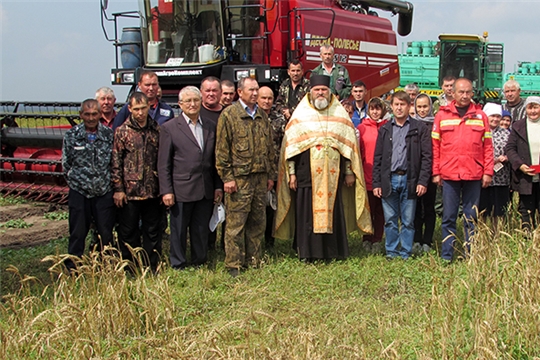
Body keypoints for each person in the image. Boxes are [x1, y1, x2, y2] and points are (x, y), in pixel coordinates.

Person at [274, 74, 372, 261]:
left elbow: (348, 148)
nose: (320, 93)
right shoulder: (300, 115)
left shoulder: (339, 114)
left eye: (324, 90)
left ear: (329, 92)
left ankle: (332, 252)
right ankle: (307, 252)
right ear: (310, 92)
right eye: (317, 90)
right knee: (306, 214)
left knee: (334, 212)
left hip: (332, 176)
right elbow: (291, 149)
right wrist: (292, 174)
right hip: (305, 175)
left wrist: (349, 172)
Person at [215, 77, 276, 277]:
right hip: (239, 180)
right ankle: (234, 264)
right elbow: (222, 151)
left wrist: (270, 175)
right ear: (239, 92)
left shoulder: (262, 116)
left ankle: (255, 259)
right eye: (251, 90)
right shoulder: (230, 115)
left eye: (257, 90)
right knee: (235, 224)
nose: (255, 93)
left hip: (259, 178)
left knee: (258, 222)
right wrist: (227, 178)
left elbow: (269, 148)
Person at [158, 86, 223, 269]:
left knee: (200, 228)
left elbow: (214, 160)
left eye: (195, 100)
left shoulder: (210, 126)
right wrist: (166, 191)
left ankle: (199, 260)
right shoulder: (169, 128)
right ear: (180, 104)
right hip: (180, 189)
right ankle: (178, 263)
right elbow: (164, 164)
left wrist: (217, 186)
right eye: (188, 101)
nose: (192, 104)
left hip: (204, 188)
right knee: (178, 230)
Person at [432, 78, 494, 261]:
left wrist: (488, 172)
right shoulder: (442, 115)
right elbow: (435, 146)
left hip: (473, 173)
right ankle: (447, 256)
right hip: (449, 174)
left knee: (471, 217)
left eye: (468, 92)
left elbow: (488, 147)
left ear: (472, 93)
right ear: (453, 93)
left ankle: (471, 255)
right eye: (461, 92)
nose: (465, 95)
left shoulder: (480, 116)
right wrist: (436, 172)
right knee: (449, 217)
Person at [372, 91, 432, 260]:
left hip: (410, 179)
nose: (399, 108)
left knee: (408, 220)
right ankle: (391, 251)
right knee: (390, 219)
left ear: (408, 106)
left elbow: (427, 157)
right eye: (396, 104)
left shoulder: (419, 128)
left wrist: (422, 181)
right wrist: (377, 182)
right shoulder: (385, 129)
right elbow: (378, 157)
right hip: (389, 179)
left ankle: (405, 252)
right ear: (391, 107)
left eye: (402, 104)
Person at [111, 92, 163, 271]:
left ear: (149, 107)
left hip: (152, 190)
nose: (140, 113)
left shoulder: (156, 129)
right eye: (137, 109)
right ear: (130, 108)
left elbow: (162, 160)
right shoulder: (122, 132)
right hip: (130, 192)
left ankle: (152, 265)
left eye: (144, 108)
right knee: (128, 232)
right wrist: (118, 189)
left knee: (152, 230)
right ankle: (130, 266)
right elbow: (116, 162)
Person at [62, 99, 116, 271]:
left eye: (94, 114)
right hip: (80, 192)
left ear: (100, 115)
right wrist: (78, 182)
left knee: (105, 233)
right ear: (81, 115)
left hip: (103, 192)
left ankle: (106, 267)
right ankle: (73, 269)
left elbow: (114, 163)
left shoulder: (108, 135)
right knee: (77, 233)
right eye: (87, 114)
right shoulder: (72, 135)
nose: (91, 117)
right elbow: (66, 164)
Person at [257, 86, 287, 249]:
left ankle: (269, 242)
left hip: (275, 172)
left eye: (270, 98)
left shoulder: (279, 119)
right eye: (263, 98)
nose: (267, 101)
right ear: (257, 99)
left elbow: (285, 143)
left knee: (271, 208)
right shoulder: (251, 118)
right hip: (256, 171)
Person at [506, 96, 540, 230]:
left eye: (536, 107)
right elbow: (510, 148)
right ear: (525, 109)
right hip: (525, 176)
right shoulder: (518, 126)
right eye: (530, 107)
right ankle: (527, 237)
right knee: (526, 208)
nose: (533, 111)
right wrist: (520, 165)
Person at [357, 97, 388, 245]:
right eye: (372, 109)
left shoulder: (388, 126)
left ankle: (377, 239)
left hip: (383, 176)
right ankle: (366, 238)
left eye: (378, 109)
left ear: (383, 110)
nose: (375, 112)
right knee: (368, 209)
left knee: (380, 211)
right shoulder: (362, 128)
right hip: (367, 174)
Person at [412, 93, 437, 252]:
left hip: (430, 171)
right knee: (414, 208)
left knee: (429, 207)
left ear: (430, 107)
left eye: (425, 107)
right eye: (419, 107)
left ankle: (427, 240)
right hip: (413, 171)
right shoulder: (411, 124)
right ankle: (416, 239)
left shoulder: (435, 125)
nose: (422, 110)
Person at [479, 103, 511, 227]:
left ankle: (497, 236)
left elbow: (512, 150)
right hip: (483, 178)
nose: (496, 119)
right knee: (483, 209)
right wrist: (493, 161)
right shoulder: (479, 131)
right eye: (492, 116)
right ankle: (482, 234)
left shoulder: (506, 133)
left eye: (498, 116)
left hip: (501, 179)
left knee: (499, 210)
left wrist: (507, 157)